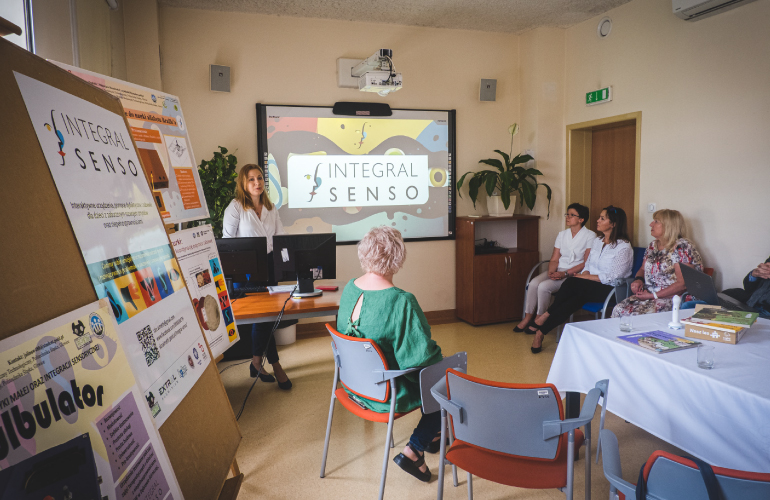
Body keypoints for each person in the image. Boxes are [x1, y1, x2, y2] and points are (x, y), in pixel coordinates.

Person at [337, 226, 443, 483]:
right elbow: (420, 359)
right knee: (446, 379)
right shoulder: (401, 301)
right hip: (385, 393)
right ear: (398, 257)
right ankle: (415, 449)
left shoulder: (350, 288)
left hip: (353, 386)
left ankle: (435, 434)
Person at [223, 164, 292, 390]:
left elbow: (281, 238)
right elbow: (227, 241)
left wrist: (286, 265)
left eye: (260, 178)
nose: (257, 182)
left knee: (269, 317)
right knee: (260, 318)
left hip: (270, 267)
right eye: (251, 179)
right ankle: (275, 364)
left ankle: (256, 362)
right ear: (244, 183)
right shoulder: (235, 207)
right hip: (247, 270)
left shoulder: (271, 208)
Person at [529, 206, 633, 353]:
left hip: (610, 289)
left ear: (613, 224)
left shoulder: (623, 247)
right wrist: (585, 274)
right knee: (573, 300)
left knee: (572, 282)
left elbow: (613, 277)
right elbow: (588, 263)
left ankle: (547, 314)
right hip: (589, 285)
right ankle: (540, 333)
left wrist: (585, 277)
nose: (597, 220)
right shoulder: (598, 241)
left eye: (602, 218)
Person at [514, 203, 597, 332]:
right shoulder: (562, 234)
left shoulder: (590, 236)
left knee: (543, 287)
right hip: (558, 269)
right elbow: (554, 258)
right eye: (567, 214)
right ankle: (527, 317)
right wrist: (552, 271)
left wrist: (564, 274)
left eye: (572, 215)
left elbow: (586, 263)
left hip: (574, 274)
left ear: (581, 219)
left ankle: (539, 319)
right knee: (533, 283)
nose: (567, 217)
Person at [611, 209, 703, 318]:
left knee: (634, 315)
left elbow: (682, 284)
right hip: (649, 295)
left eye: (656, 221)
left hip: (673, 298)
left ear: (669, 226)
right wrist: (638, 280)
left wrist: (652, 295)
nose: (651, 224)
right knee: (618, 309)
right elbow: (642, 269)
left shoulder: (682, 247)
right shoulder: (652, 246)